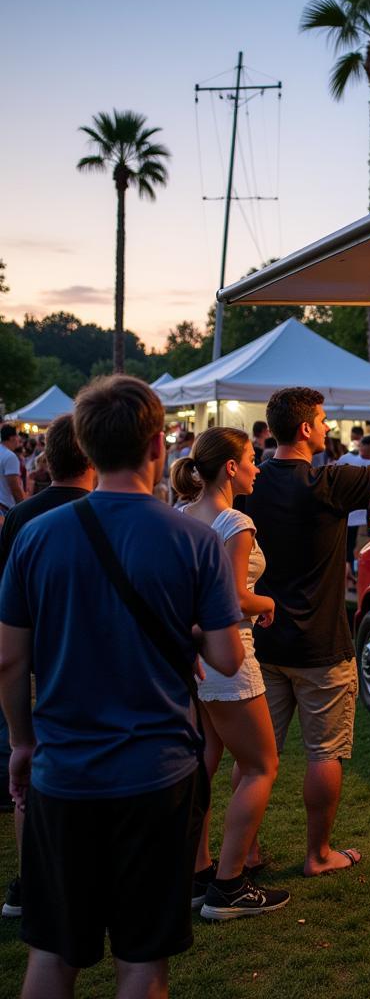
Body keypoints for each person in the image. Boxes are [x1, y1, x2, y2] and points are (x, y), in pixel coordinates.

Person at [0, 376, 244, 999]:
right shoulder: (194, 540)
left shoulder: (34, 537)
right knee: (142, 964)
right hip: (157, 775)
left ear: (81, 441)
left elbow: (9, 662)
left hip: (64, 772)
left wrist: (22, 743)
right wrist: (187, 629)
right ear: (157, 444)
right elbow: (224, 657)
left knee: (52, 957)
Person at [242, 382, 370, 876]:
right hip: (321, 648)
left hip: (266, 641)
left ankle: (242, 852)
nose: (329, 425)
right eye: (324, 419)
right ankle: (318, 855)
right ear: (306, 428)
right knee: (324, 752)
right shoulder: (326, 483)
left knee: (255, 761)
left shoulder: (251, 484)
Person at [171, 428, 289, 921]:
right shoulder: (235, 522)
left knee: (205, 762)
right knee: (262, 766)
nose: (259, 467)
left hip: (191, 659)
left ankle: (200, 874)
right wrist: (268, 602)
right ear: (231, 469)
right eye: (252, 458)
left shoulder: (180, 515)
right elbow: (236, 597)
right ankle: (229, 886)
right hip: (228, 656)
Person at [0, 414, 96, 916]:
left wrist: (17, 733)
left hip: (36, 662)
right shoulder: (110, 511)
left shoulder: (22, 517)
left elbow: (7, 614)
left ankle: (29, 882)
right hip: (96, 666)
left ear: (46, 458)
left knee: (29, 780)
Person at [335, 435, 370, 592]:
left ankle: (352, 579)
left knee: (354, 549)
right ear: (363, 447)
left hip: (360, 517)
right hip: (351, 516)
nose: (369, 451)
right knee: (350, 548)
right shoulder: (350, 459)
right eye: (368, 448)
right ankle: (350, 580)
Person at [0, 425, 26, 516]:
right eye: (17, 436)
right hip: (4, 507)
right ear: (12, 438)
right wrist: (24, 508)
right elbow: (14, 487)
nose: (18, 439)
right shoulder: (10, 456)